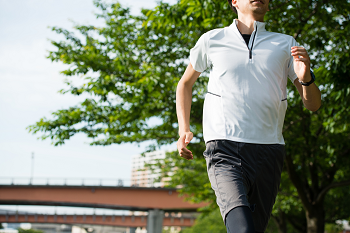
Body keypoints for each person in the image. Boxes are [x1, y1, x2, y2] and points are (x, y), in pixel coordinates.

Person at [176, 0, 322, 232]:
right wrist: (183, 129)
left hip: (269, 151)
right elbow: (185, 84)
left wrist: (306, 78)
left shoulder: (286, 44)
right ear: (234, 1)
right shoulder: (212, 39)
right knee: (241, 229)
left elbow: (313, 104)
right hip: (224, 148)